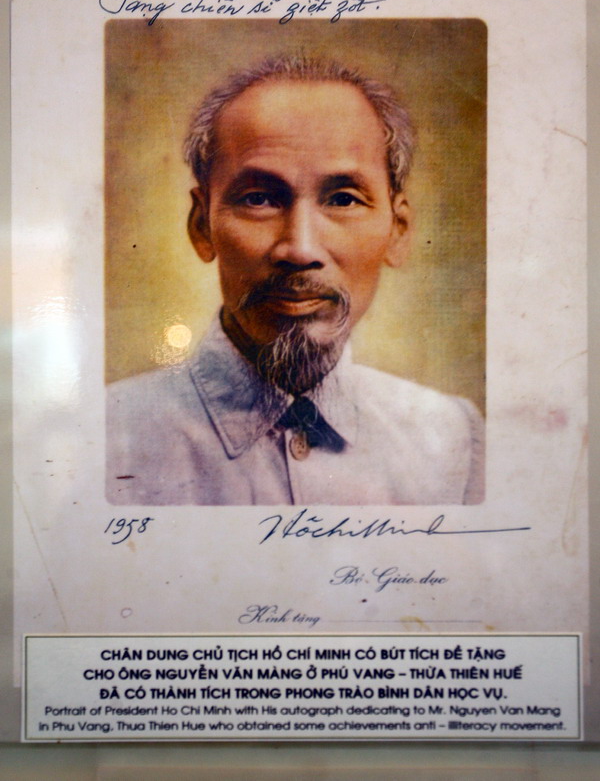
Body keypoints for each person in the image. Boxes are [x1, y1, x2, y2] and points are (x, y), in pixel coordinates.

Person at [107, 55, 484, 506]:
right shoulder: (106, 436)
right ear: (202, 226)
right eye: (259, 199)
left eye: (343, 199)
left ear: (397, 231)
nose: (300, 249)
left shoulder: (453, 439)